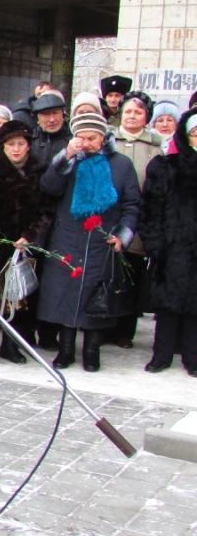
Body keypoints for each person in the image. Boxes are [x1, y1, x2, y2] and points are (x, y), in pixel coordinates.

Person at [36, 113, 141, 372]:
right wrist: (65, 158)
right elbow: (48, 188)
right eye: (81, 137)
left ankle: (92, 351)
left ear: (104, 138)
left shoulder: (121, 164)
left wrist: (122, 235)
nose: (87, 143)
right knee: (66, 293)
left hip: (101, 239)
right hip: (68, 236)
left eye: (92, 138)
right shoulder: (70, 160)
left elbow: (132, 205)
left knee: (96, 294)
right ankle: (66, 349)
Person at [0, 118, 53, 364]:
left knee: (18, 296)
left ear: (28, 146)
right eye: (10, 144)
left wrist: (30, 235)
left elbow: (46, 210)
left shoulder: (39, 170)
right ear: (2, 146)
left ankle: (10, 345)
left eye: (20, 143)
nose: (15, 149)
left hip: (22, 245)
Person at [138, 110, 197, 376]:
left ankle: (192, 357)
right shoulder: (165, 166)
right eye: (195, 133)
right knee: (167, 307)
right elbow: (150, 208)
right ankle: (161, 356)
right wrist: (155, 244)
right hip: (170, 249)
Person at [109, 91, 162, 349]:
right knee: (105, 272)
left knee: (131, 275)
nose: (132, 116)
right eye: (128, 111)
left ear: (146, 117)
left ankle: (124, 331)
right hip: (107, 218)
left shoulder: (155, 148)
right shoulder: (108, 141)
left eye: (138, 112)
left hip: (138, 222)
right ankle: (102, 325)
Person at [31, 89, 71, 168]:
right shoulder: (29, 140)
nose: (52, 120)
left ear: (63, 116)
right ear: (37, 120)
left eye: (55, 113)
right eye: (46, 114)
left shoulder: (73, 141)